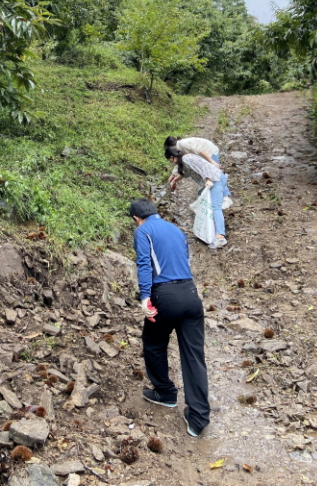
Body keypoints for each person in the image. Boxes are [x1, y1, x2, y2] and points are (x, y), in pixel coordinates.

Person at [130, 198, 210, 438]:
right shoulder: (176, 230)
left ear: (136, 218)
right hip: (191, 294)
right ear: (155, 212)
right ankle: (198, 418)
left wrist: (145, 297)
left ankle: (165, 392)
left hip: (164, 296)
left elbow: (144, 262)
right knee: (194, 356)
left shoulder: (143, 230)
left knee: (154, 343)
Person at [166, 147, 228, 248]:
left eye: (170, 160)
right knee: (203, 198)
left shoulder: (187, 158)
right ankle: (211, 226)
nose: (172, 163)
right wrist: (174, 181)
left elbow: (204, 167)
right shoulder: (184, 162)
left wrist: (208, 179)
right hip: (211, 180)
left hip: (215, 179)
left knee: (215, 207)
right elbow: (184, 174)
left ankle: (220, 237)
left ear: (173, 157)